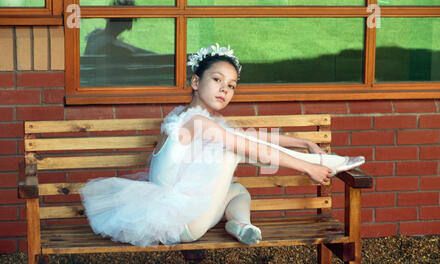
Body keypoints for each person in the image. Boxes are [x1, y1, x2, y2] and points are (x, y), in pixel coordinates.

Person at [80, 43, 365, 248]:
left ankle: (241, 225)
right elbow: (253, 148)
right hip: (182, 222)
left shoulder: (189, 115)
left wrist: (303, 141)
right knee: (234, 150)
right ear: (195, 81)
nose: (224, 90)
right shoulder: (197, 123)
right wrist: (308, 167)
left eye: (231, 85)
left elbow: (254, 136)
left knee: (238, 190)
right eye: (217, 80)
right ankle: (329, 164)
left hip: (180, 211)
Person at [83, 0, 153, 56]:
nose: (130, 27)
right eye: (130, 21)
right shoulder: (113, 47)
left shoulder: (95, 35)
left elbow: (133, 49)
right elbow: (132, 50)